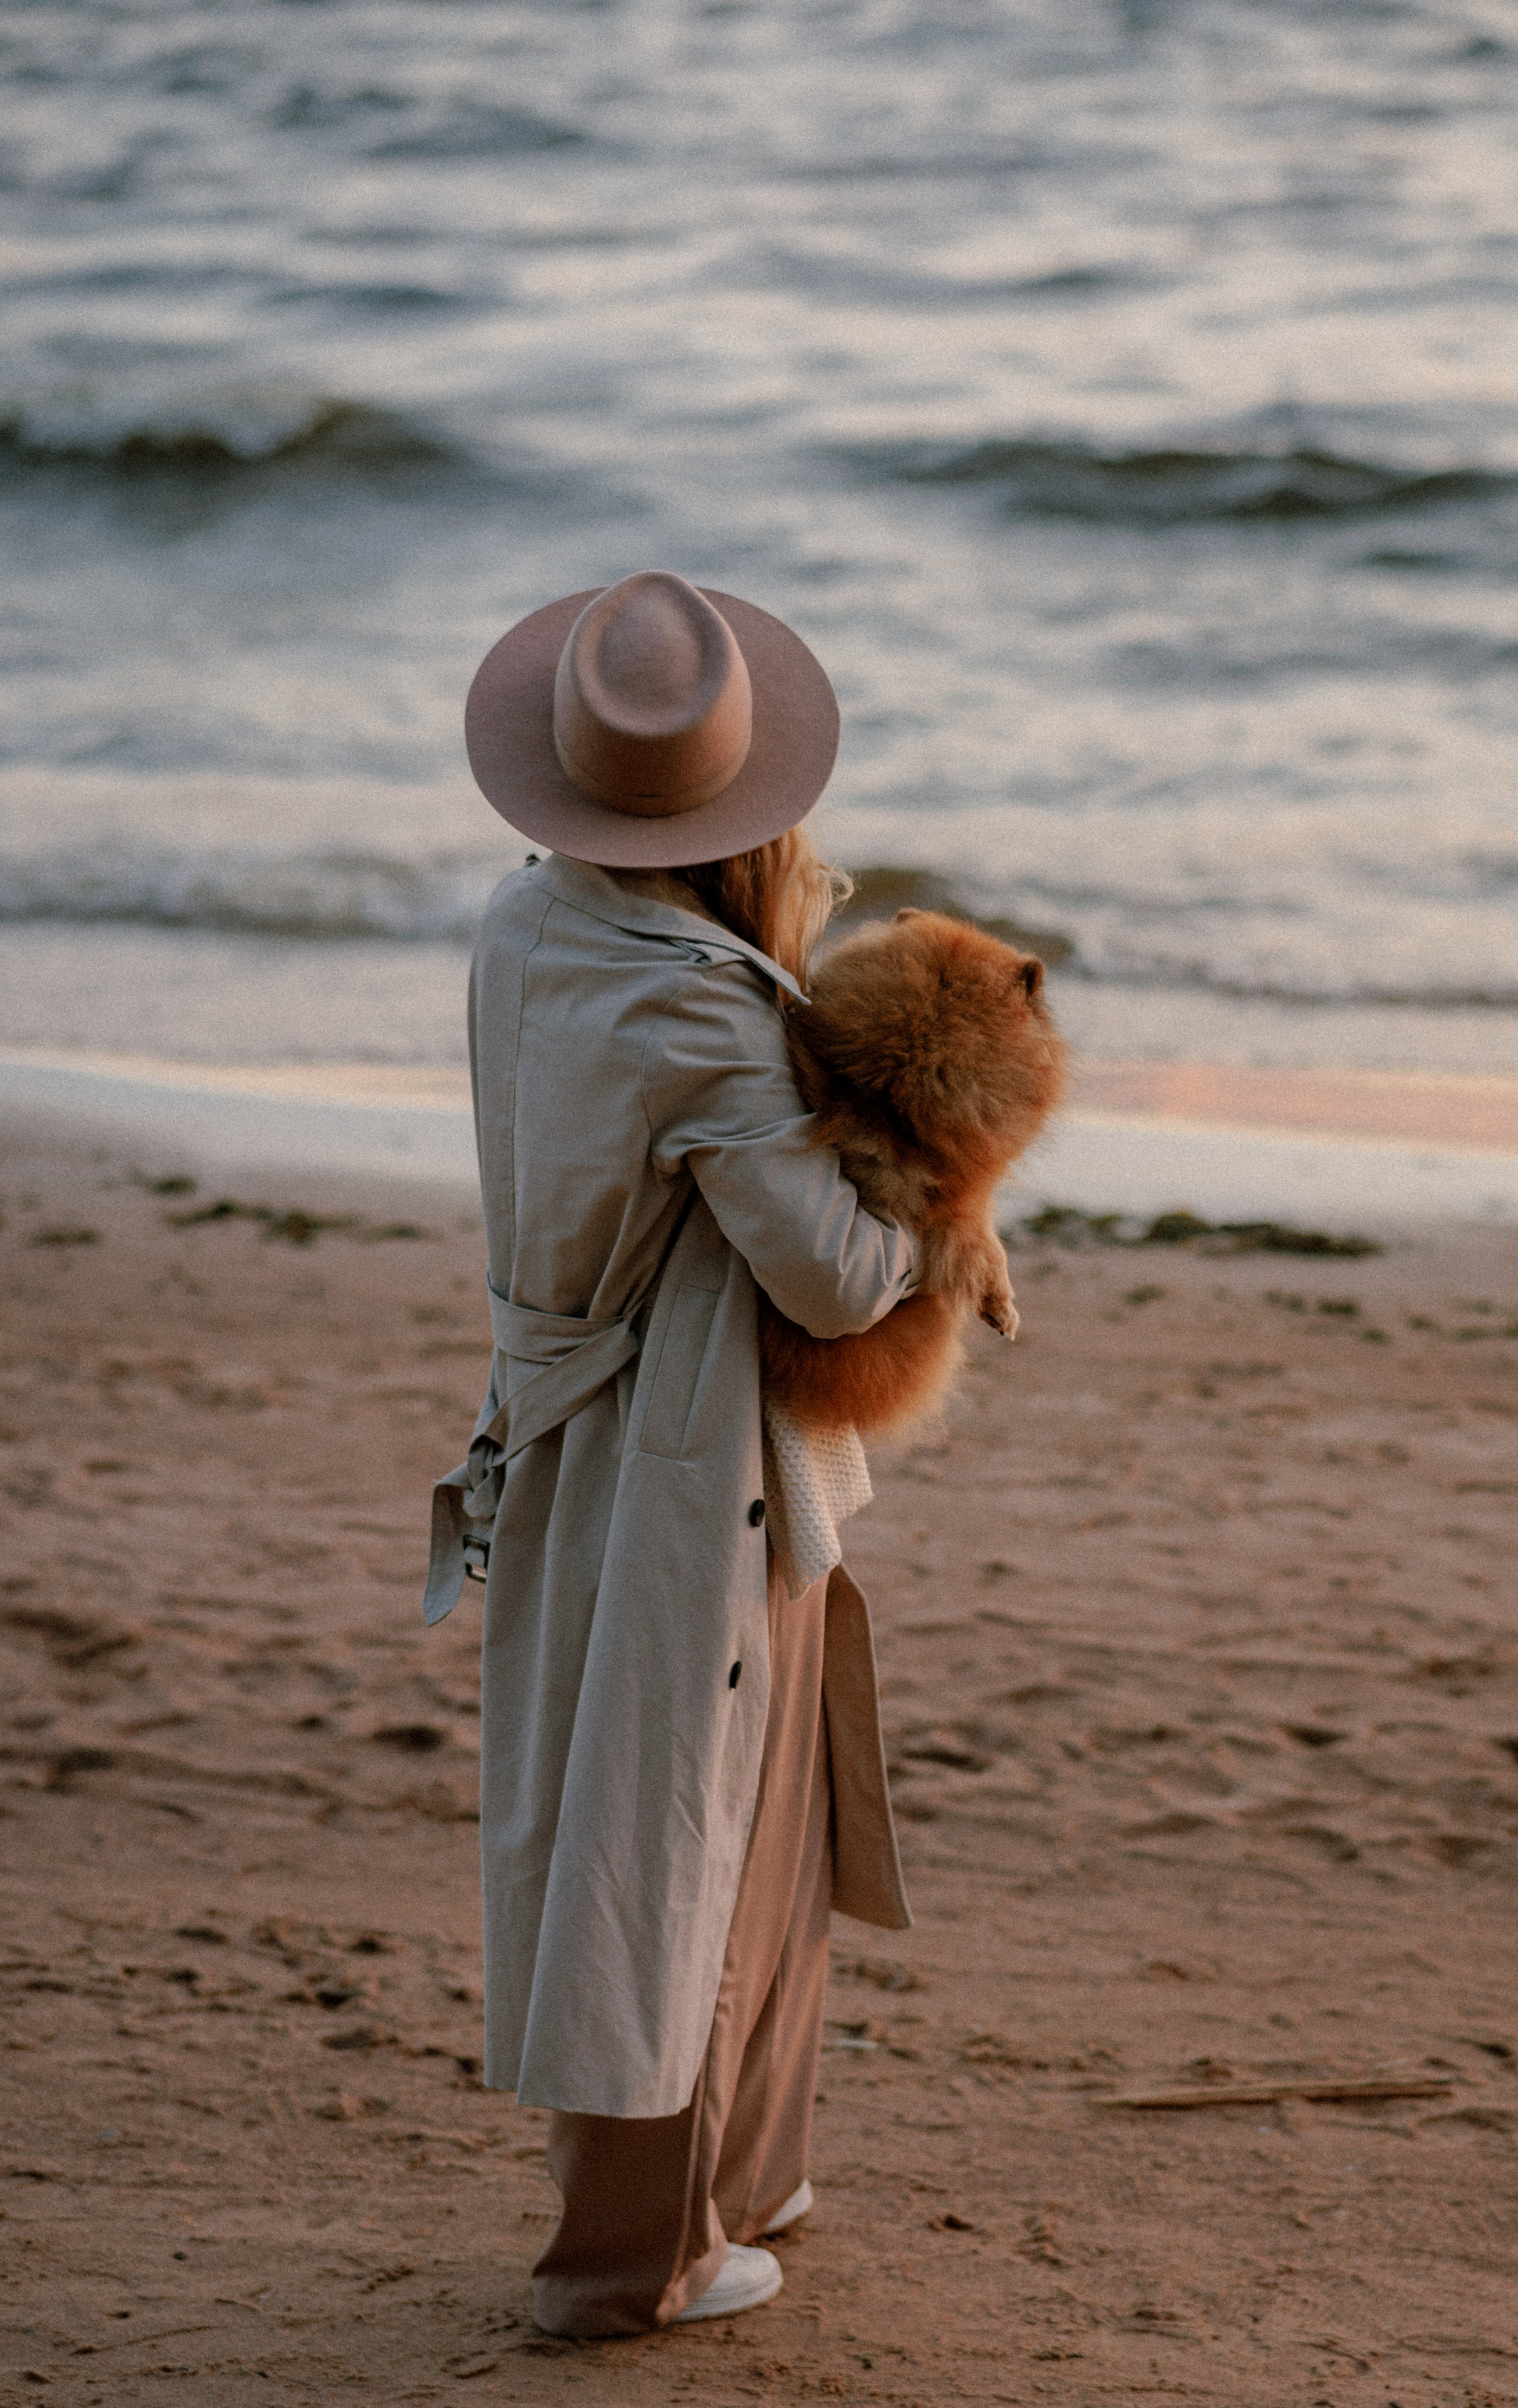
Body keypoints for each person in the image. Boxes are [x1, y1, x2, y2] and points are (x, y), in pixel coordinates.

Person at [423, 571, 921, 2337]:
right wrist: (939, 1194)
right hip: (682, 1455)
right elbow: (835, 1275)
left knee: (685, 1811)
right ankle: (639, 2260)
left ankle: (744, 2177)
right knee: (670, 1831)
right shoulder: (700, 1007)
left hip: (564, 1420)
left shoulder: (526, 921)